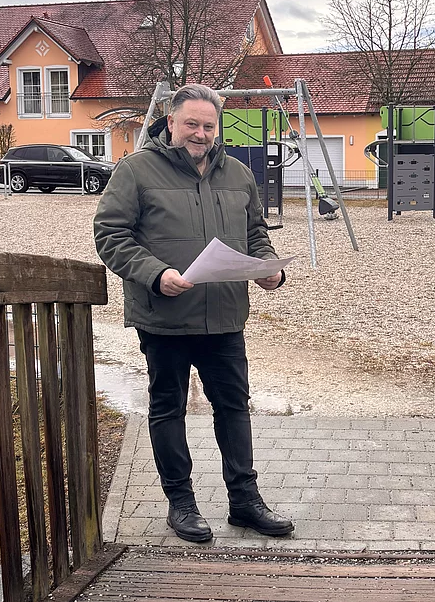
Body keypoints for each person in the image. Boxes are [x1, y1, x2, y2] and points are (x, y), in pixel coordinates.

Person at [93, 83, 293, 543]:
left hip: (224, 315)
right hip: (164, 316)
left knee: (233, 408)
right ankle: (181, 504)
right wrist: (156, 273)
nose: (200, 134)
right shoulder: (136, 171)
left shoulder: (239, 174)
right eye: (191, 124)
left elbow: (255, 232)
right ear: (170, 123)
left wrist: (267, 270)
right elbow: (110, 235)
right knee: (168, 408)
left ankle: (244, 502)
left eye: (208, 125)